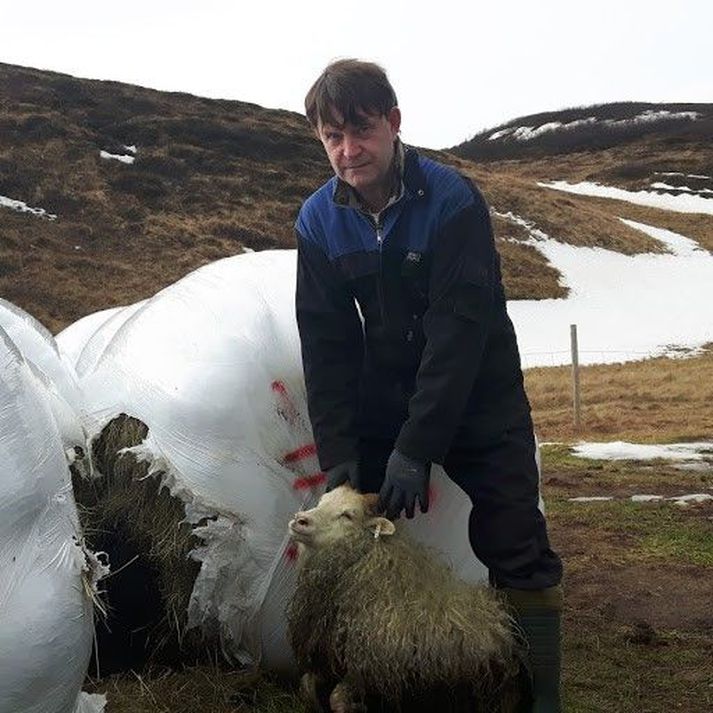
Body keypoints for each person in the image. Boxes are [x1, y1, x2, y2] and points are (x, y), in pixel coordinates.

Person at [294, 58, 563, 712]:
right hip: (383, 396)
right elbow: (326, 345)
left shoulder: (451, 203)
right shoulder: (317, 221)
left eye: (360, 131)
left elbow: (458, 333)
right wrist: (339, 459)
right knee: (354, 525)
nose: (349, 151)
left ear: (393, 122)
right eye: (333, 137)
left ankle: (539, 698)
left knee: (515, 545)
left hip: (477, 394)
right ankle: (371, 670)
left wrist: (415, 448)